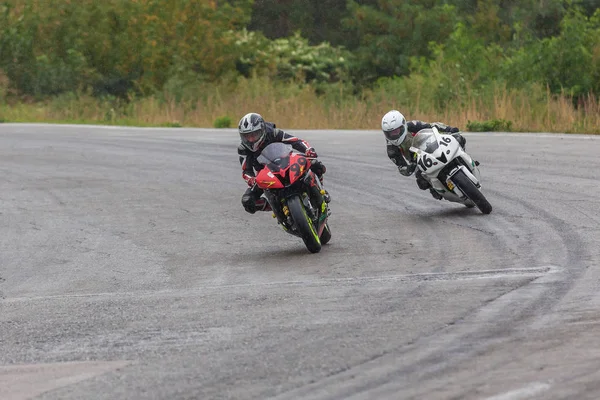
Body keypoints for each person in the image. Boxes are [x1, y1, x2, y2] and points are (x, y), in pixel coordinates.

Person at [237, 112, 329, 214]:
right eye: (247, 136)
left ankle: (322, 191)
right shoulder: (243, 149)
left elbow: (295, 141)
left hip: (285, 163)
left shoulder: (273, 133)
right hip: (265, 175)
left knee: (316, 164)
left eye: (254, 135)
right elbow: (246, 171)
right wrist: (251, 179)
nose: (251, 139)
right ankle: (274, 208)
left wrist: (308, 150)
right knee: (247, 201)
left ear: (262, 130)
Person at [381, 109, 466, 200]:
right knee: (422, 183)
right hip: (417, 161)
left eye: (396, 131)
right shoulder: (391, 150)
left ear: (403, 125)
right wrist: (408, 168)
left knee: (459, 139)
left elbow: (432, 126)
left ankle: (464, 159)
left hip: (432, 145)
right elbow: (401, 167)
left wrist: (449, 129)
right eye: (390, 133)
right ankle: (434, 188)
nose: (394, 135)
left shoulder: (413, 125)